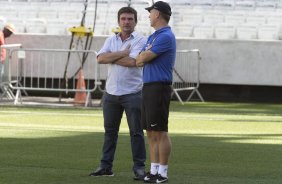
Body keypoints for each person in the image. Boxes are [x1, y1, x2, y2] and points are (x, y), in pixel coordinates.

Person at [89, 7, 147, 181]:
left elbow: (133, 62)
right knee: (110, 133)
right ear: (118, 21)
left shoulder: (141, 39)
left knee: (136, 132)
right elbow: (100, 59)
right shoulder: (110, 39)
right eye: (123, 19)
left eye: (130, 19)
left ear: (135, 21)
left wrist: (111, 57)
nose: (126, 22)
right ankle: (106, 167)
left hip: (133, 93)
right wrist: (121, 53)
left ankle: (139, 168)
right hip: (111, 93)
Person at [136, 1, 176, 183]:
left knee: (160, 131)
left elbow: (144, 57)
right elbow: (139, 59)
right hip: (150, 86)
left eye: (150, 12)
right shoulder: (155, 36)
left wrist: (144, 55)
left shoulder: (165, 36)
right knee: (150, 132)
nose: (148, 15)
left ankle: (163, 173)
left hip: (159, 87)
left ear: (158, 14)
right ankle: (153, 171)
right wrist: (143, 55)